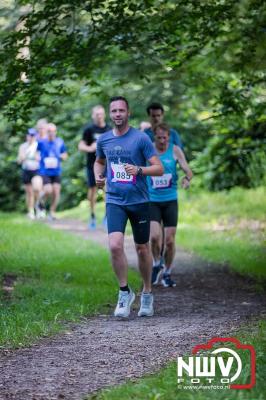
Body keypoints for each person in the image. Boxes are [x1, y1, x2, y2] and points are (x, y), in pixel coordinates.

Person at [94, 96, 163, 318]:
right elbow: (99, 161)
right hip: (114, 200)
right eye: (113, 111)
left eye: (121, 110)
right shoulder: (104, 140)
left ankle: (147, 293)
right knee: (115, 245)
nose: (117, 114)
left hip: (140, 201)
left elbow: (159, 168)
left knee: (142, 248)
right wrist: (98, 176)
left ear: (128, 113)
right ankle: (124, 292)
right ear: (110, 113)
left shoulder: (141, 138)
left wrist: (139, 170)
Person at [148, 123, 193, 287]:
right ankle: (156, 263)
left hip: (170, 200)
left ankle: (167, 272)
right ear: (154, 137)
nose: (162, 141)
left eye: (164, 137)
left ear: (169, 136)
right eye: (159, 137)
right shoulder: (148, 149)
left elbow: (188, 170)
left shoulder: (175, 150)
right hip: (152, 200)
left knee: (169, 241)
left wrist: (186, 179)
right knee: (154, 237)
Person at [78, 105, 111, 229]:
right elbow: (81, 146)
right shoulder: (89, 130)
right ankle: (92, 215)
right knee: (92, 190)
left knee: (108, 189)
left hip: (107, 164)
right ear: (93, 115)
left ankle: (107, 216)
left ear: (104, 115)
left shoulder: (109, 129)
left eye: (101, 113)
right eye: (96, 114)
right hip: (92, 164)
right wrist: (90, 148)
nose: (99, 116)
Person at [37, 123, 68, 220]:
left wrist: (63, 156)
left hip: (56, 171)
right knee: (48, 190)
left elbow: (65, 154)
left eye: (53, 131)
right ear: (46, 132)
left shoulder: (60, 141)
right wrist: (37, 157)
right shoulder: (41, 142)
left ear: (56, 132)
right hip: (45, 171)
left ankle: (52, 212)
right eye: (49, 131)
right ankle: (40, 202)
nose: (51, 133)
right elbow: (36, 153)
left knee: (56, 192)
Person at [17, 128, 43, 219]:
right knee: (29, 192)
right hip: (26, 170)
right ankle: (31, 211)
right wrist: (22, 157)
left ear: (35, 136)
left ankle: (39, 207)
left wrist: (38, 157)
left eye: (32, 135)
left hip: (36, 170)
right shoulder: (23, 146)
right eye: (29, 135)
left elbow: (41, 158)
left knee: (37, 189)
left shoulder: (38, 145)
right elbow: (19, 161)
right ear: (27, 136)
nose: (31, 137)